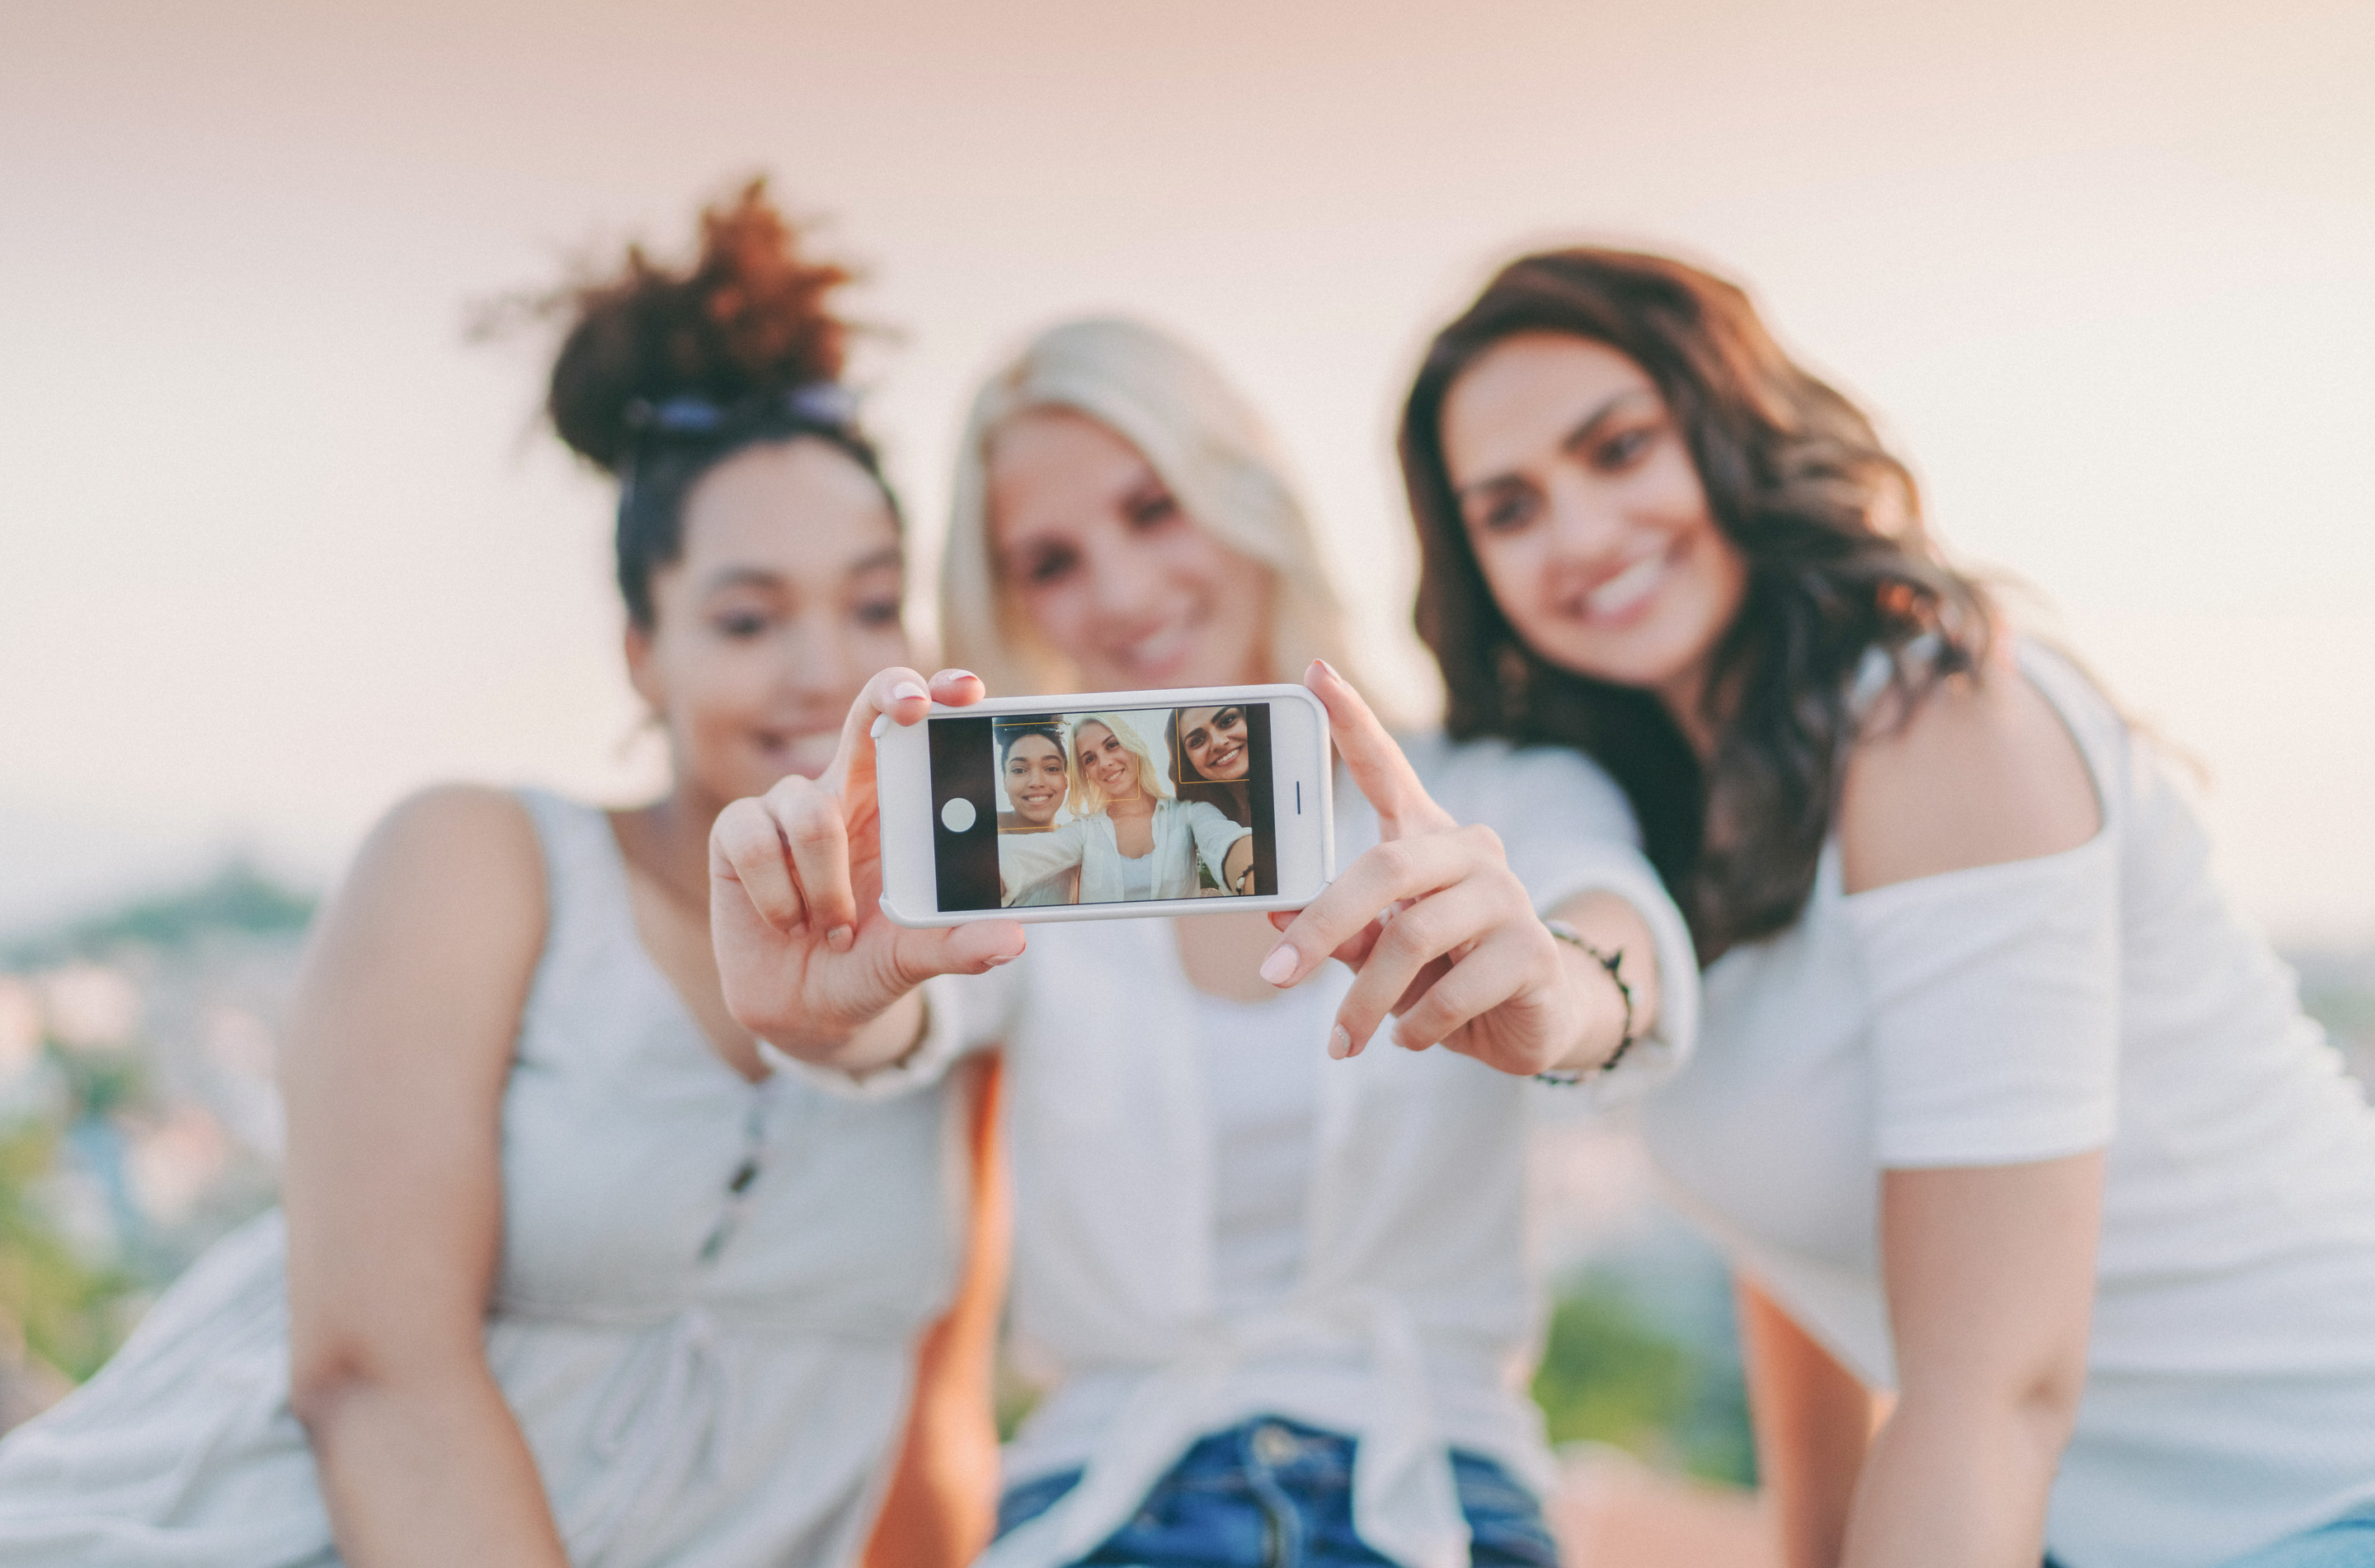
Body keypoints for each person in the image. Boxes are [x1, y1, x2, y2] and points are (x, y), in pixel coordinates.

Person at [0, 183, 1001, 1568]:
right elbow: (376, 1373)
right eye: (746, 616)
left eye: (869, 599)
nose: (825, 667)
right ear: (640, 654)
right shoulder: (484, 861)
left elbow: (939, 1421)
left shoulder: (970, 954)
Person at [1390, 246, 2375, 1568]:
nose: (1576, 533)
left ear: (1736, 431)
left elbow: (1993, 1389)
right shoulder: (1670, 816)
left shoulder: (1937, 720)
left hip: (2324, 1494)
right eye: (1508, 510)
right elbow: (1792, 1241)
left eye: (1620, 449)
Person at [707, 315, 1705, 1568]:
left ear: (1249, 492)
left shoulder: (1488, 791)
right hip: (1102, 1505)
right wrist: (826, 1007)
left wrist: (1554, 991)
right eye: (1053, 561)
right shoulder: (1037, 854)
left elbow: (1616, 941)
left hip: (1433, 1496)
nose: (1122, 593)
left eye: (1155, 508)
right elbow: (911, 1012)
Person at [1001, 712, 1249, 904]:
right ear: (1085, 772)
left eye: (1112, 745)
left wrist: (1251, 876)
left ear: (1132, 745)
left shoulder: (1189, 813)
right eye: (1090, 758)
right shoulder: (1084, 831)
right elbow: (1023, 858)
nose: (1105, 763)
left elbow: (1226, 841)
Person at [998, 721, 1079, 906]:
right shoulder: (980, 833)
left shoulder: (1077, 843)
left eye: (1051, 768)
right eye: (1019, 770)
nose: (1036, 782)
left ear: (1066, 780)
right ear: (1005, 782)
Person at [1169, 703, 1253, 835]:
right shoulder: (1198, 814)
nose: (1218, 743)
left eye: (1227, 721)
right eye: (1197, 741)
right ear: (1187, 761)